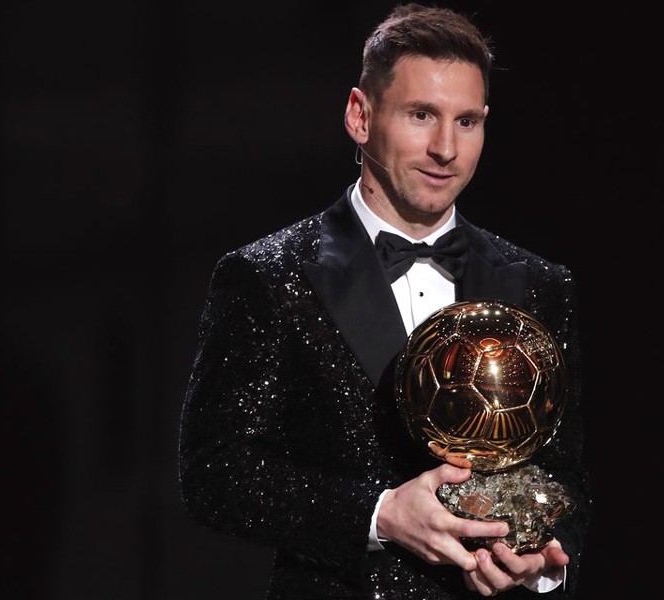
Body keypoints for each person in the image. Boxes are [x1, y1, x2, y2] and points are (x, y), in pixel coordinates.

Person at [178, 3, 591, 598]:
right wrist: (378, 516)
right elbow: (214, 472)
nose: (446, 148)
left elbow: (567, 478)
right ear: (360, 116)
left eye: (467, 121)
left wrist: (546, 566)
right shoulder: (267, 277)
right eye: (421, 114)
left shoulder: (541, 285)